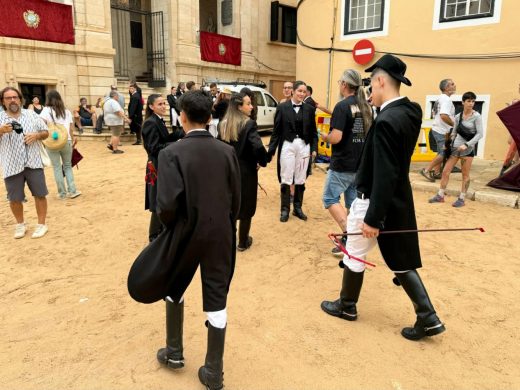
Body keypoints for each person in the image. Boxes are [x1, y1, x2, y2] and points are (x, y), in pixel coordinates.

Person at [320, 54, 446, 341]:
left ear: (380, 81)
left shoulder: (388, 119)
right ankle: (427, 316)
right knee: (396, 258)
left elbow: (386, 172)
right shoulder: (408, 112)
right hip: (395, 197)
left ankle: (348, 306)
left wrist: (373, 218)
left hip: (376, 199)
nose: (369, 93)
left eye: (371, 87)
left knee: (357, 251)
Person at [155, 90, 240, 390]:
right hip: (220, 233)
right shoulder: (227, 151)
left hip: (184, 233)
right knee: (217, 297)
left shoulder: (170, 153)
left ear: (182, 117)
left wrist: (171, 230)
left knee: (174, 286)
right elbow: (236, 200)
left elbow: (165, 206)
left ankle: (174, 352)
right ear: (209, 117)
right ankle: (214, 373)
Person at [321, 69, 373, 256]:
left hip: (343, 162)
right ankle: (355, 241)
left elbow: (336, 137)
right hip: (360, 163)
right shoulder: (365, 106)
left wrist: (324, 136)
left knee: (329, 198)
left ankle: (348, 236)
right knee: (352, 202)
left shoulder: (342, 107)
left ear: (344, 84)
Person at [219, 92, 268, 251]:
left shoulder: (223, 123)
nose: (252, 106)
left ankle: (230, 240)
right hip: (245, 170)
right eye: (248, 103)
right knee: (246, 205)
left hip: (227, 170)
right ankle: (243, 241)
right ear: (239, 107)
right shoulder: (248, 124)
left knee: (230, 205)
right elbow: (258, 146)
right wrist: (263, 160)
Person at [0, 87, 49, 239]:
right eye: (8, 98)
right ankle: (20, 225)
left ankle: (41, 225)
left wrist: (36, 135)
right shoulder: (0, 118)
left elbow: (46, 132)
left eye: (15, 97)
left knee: (40, 194)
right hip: (11, 164)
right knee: (14, 198)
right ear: (3, 101)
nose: (13, 100)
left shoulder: (31, 114)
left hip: (33, 163)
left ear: (20, 99)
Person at [267, 80, 318, 222]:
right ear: (293, 92)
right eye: (299, 91)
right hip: (287, 145)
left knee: (301, 177)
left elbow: (314, 132)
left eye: (304, 91)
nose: (302, 94)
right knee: (286, 177)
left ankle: (297, 208)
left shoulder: (309, 109)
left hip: (304, 146)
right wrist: (271, 151)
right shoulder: (282, 108)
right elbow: (276, 131)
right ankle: (284, 209)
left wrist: (314, 149)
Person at [429, 91, 483, 207]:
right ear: (463, 102)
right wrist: (448, 143)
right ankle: (440, 195)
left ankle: (462, 198)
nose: (471, 103)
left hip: (467, 151)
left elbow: (480, 134)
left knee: (465, 175)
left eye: (473, 101)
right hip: (455, 149)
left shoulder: (476, 117)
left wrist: (467, 145)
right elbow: (454, 132)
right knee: (445, 171)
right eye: (468, 101)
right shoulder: (458, 116)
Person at [142, 94, 184, 242]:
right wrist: (176, 143)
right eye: (159, 104)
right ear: (151, 106)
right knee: (156, 199)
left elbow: (164, 139)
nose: (163, 106)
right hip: (155, 166)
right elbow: (154, 148)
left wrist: (180, 132)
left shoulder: (158, 120)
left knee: (161, 197)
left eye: (164, 103)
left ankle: (160, 230)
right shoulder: (150, 123)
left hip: (161, 163)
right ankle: (153, 236)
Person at [39, 90, 82, 200]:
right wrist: (73, 138)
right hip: (66, 140)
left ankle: (62, 193)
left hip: (51, 142)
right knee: (67, 166)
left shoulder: (45, 111)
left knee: (57, 167)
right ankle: (72, 191)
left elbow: (40, 125)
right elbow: (71, 128)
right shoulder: (66, 111)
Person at [420, 79, 456, 181]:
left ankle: (436, 172)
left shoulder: (440, 99)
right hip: (441, 131)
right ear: (446, 88)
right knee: (443, 153)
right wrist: (455, 125)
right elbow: (443, 115)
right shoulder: (447, 100)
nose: (454, 86)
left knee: (441, 152)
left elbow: (435, 114)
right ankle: (426, 170)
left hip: (438, 129)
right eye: (452, 84)